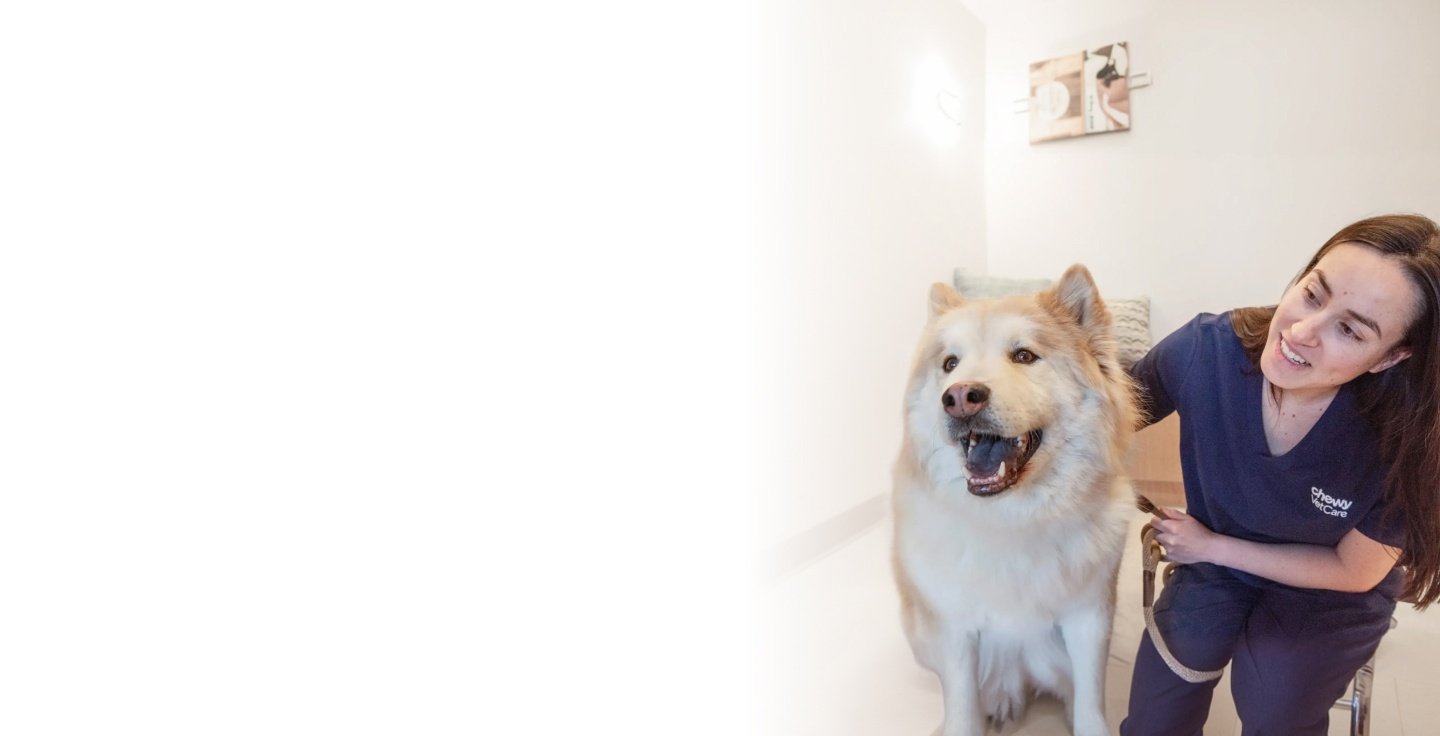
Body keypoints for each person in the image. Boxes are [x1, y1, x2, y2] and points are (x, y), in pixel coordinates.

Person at [1120, 213, 1440, 735]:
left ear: (1391, 357)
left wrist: (1211, 547)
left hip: (1329, 588)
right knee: (1162, 704)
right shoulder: (1207, 352)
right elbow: (1104, 414)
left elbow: (1353, 569)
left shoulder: (1406, 438)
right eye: (1314, 294)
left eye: (1350, 330)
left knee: (1274, 697)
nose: (1301, 332)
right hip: (1214, 560)